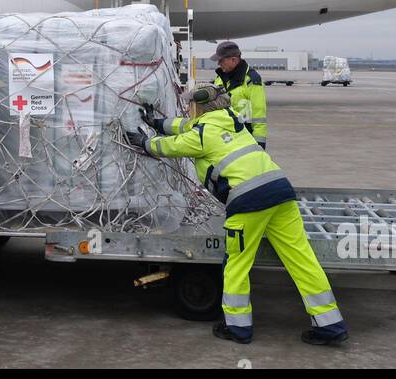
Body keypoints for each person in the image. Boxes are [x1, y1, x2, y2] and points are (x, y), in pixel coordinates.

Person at [129, 85, 346, 346]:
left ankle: (238, 328)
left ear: (198, 106)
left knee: (236, 265)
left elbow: (170, 146)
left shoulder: (202, 135)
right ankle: (330, 325)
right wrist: (158, 122)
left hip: (248, 201)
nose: (187, 109)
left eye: (189, 105)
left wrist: (145, 141)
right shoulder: (231, 120)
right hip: (280, 191)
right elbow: (185, 127)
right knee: (302, 259)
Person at [210, 41, 268, 148]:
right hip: (224, 137)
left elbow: (259, 116)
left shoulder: (251, 80)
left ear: (233, 59)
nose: (218, 64)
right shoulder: (220, 79)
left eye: (221, 60)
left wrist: (259, 145)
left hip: (245, 138)